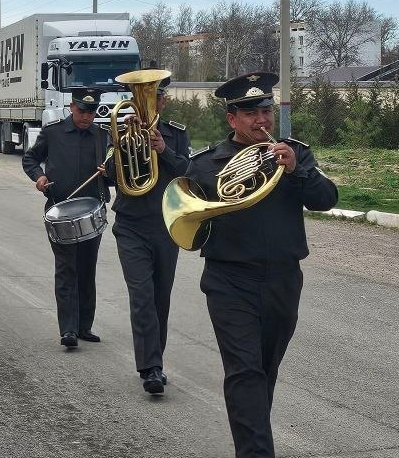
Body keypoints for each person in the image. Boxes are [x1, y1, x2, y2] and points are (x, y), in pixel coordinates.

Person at [185, 72, 337, 457]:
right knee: (245, 372)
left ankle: (253, 441)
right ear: (232, 118)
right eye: (250, 113)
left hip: (283, 280)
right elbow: (190, 228)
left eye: (266, 111)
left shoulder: (294, 154)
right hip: (229, 281)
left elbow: (326, 200)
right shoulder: (206, 165)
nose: (261, 120)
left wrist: (298, 170)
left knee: (264, 371)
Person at [100, 76, 189, 395]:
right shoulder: (119, 132)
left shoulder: (176, 134)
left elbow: (187, 173)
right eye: (142, 99)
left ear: (163, 101)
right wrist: (123, 143)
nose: (148, 105)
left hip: (166, 224)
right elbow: (110, 176)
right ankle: (150, 367)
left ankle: (156, 359)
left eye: (154, 98)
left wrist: (163, 150)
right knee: (142, 296)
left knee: (160, 297)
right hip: (131, 226)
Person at [22, 88, 112, 349]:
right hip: (60, 211)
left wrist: (109, 172)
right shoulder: (53, 132)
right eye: (82, 111)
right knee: (66, 269)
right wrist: (39, 177)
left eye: (91, 112)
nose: (86, 117)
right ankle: (68, 329)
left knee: (87, 269)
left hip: (91, 212)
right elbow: (30, 159)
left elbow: (114, 174)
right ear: (72, 107)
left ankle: (84, 326)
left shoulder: (102, 136)